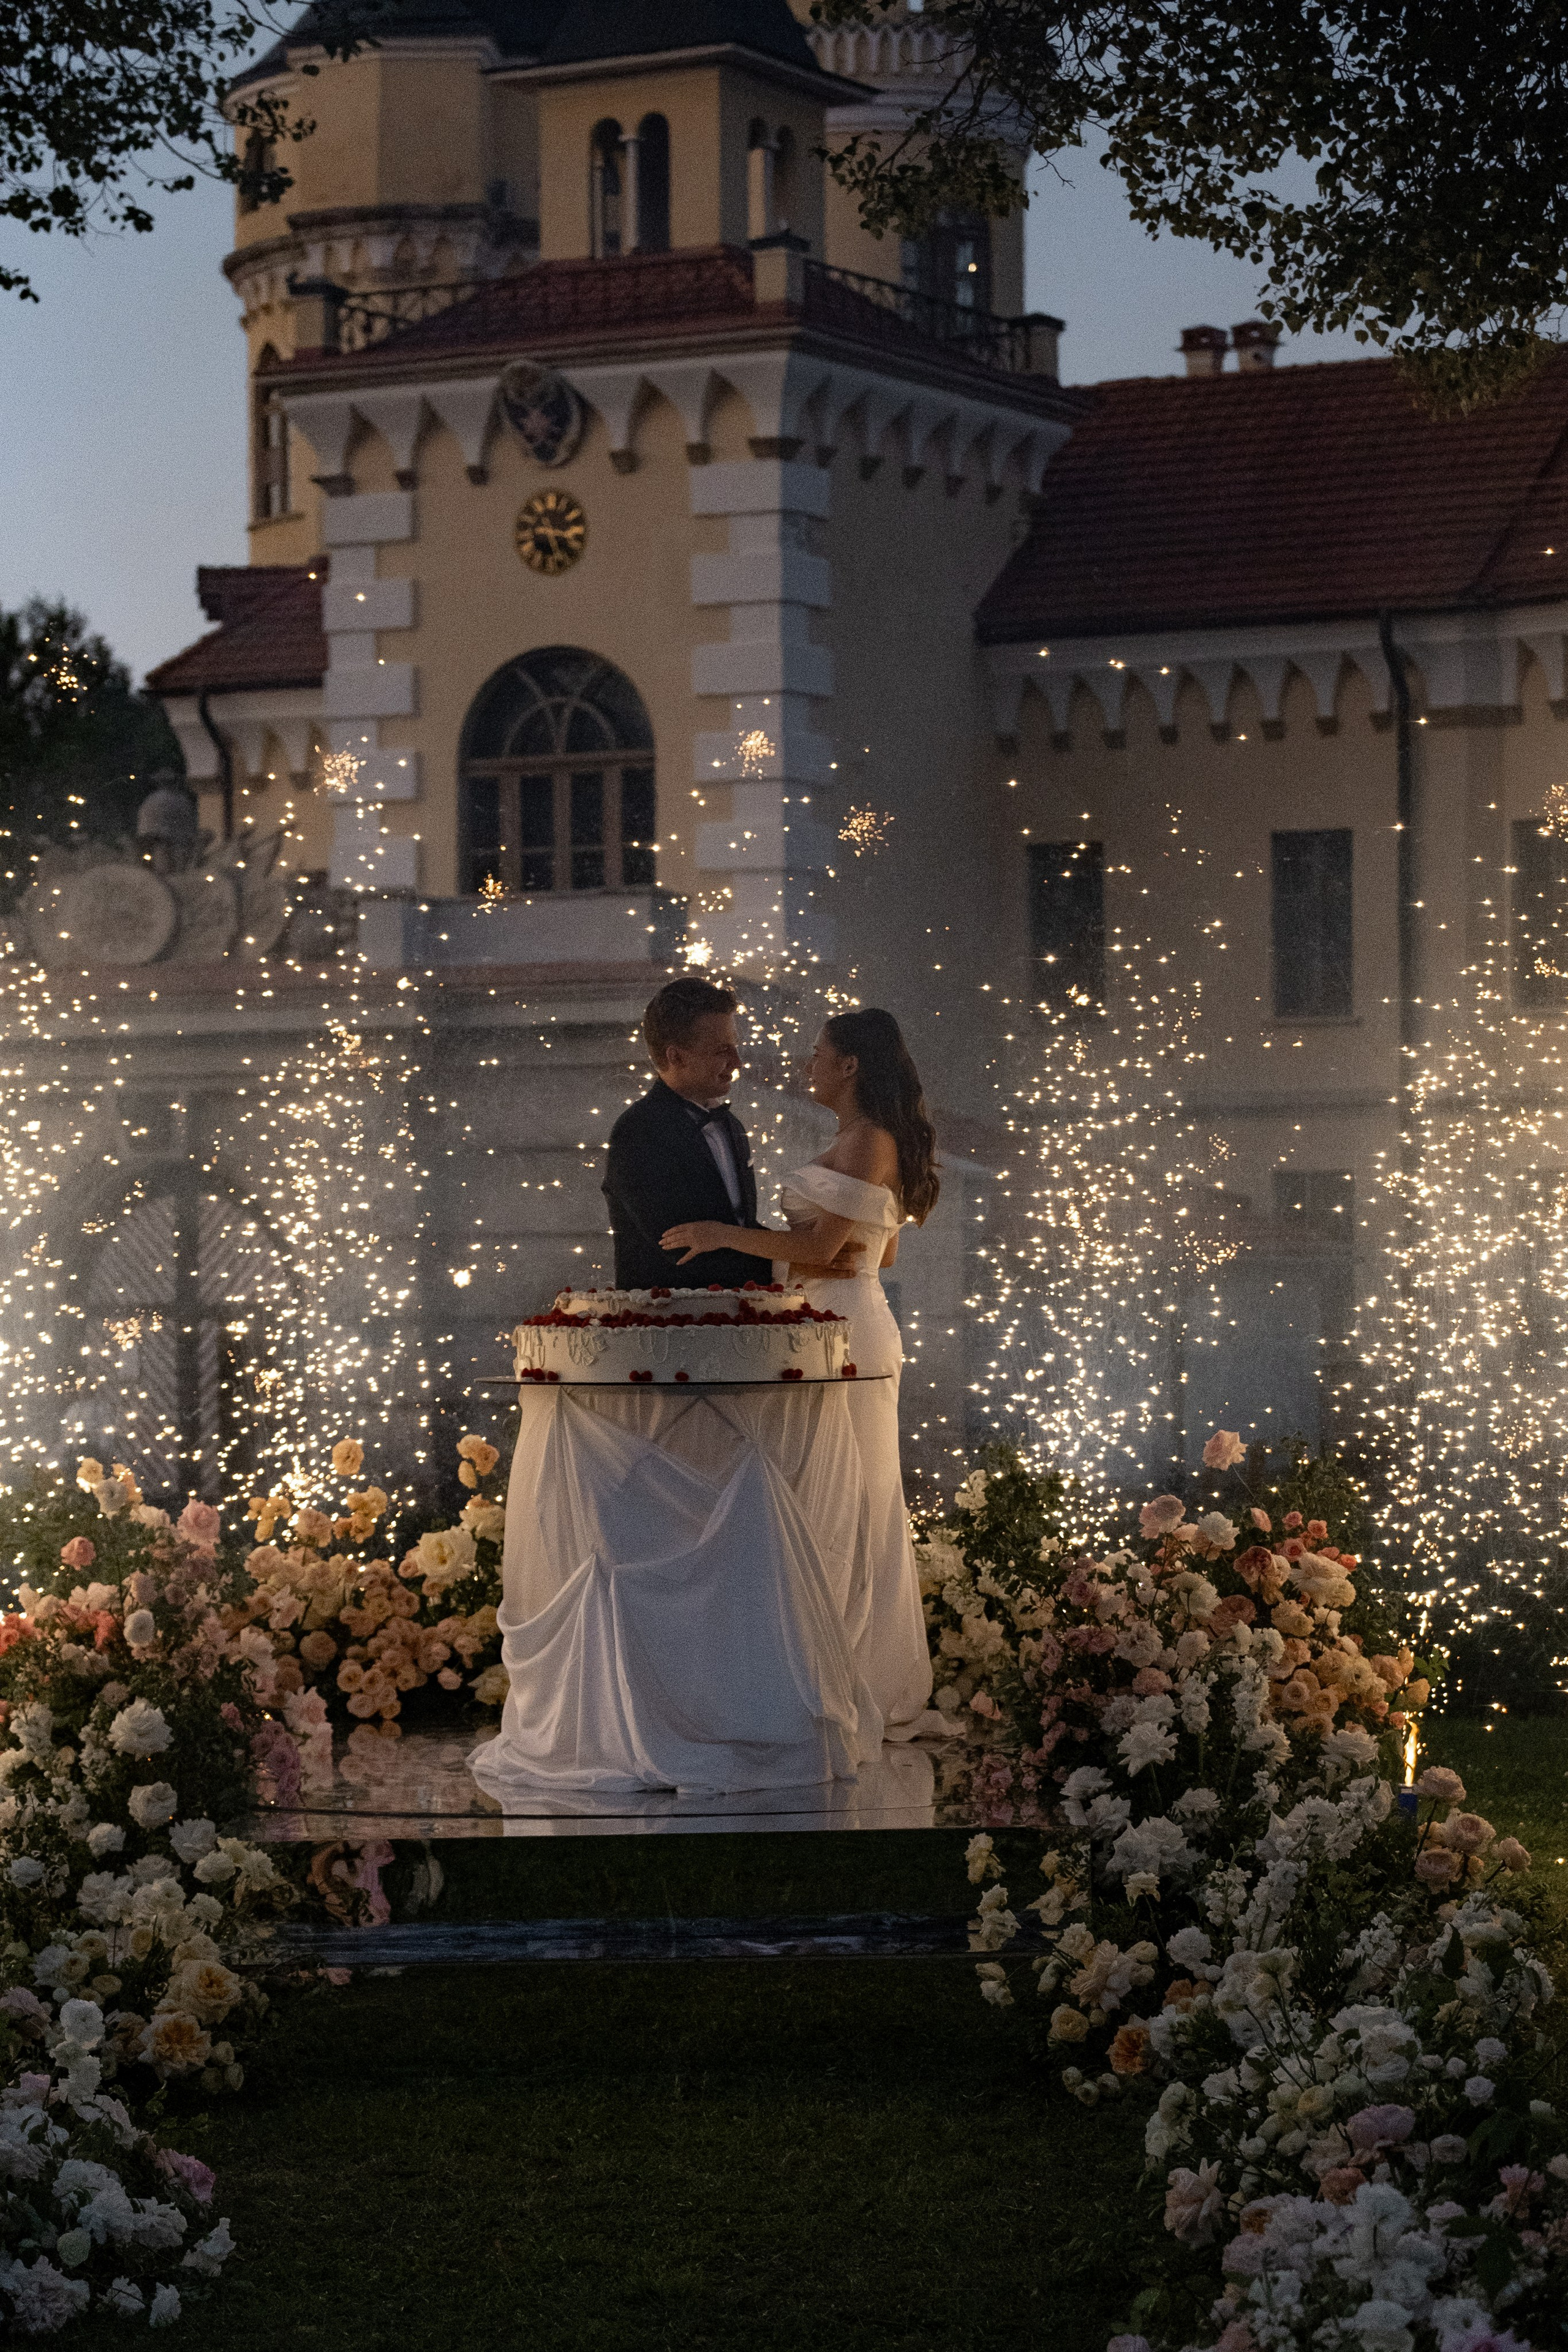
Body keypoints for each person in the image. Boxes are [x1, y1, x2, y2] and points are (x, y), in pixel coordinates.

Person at [662, 1008, 941, 1734]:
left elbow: (831, 1248)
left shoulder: (868, 1140)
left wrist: (726, 1235)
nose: (808, 1063)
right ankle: (832, 1668)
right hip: (841, 1319)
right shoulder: (860, 1142)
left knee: (846, 1501)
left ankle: (851, 1679)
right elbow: (879, 1254)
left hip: (845, 1335)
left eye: (819, 1053)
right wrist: (819, 1254)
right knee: (830, 1494)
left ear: (849, 1065)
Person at [603, 976, 769, 1291]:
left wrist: (809, 1251)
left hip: (741, 1323)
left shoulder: (731, 1126)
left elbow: (741, 1228)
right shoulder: (638, 1131)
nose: (737, 1062)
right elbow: (681, 1252)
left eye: (735, 1048)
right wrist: (799, 1261)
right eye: (722, 1051)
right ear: (675, 1056)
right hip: (667, 1328)